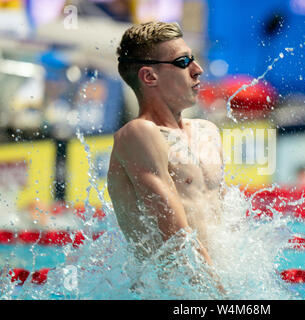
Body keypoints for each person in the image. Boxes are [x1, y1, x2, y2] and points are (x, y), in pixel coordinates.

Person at [107, 21, 226, 294]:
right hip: (170, 291)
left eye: (193, 58)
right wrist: (221, 295)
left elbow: (222, 223)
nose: (198, 70)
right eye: (184, 62)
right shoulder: (137, 133)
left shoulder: (207, 132)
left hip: (205, 284)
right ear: (149, 77)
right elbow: (175, 233)